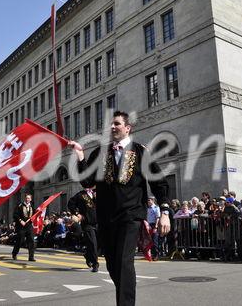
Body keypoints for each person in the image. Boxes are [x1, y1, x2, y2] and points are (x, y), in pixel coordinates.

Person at [69, 110, 170, 306]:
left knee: (124, 263)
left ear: (127, 128)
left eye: (117, 123)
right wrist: (80, 155)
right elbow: (87, 181)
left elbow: (159, 183)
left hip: (130, 216)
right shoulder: (100, 152)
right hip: (106, 218)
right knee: (114, 265)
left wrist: (165, 212)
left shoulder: (141, 152)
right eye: (111, 124)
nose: (112, 127)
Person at [68, 187, 99, 272]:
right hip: (87, 223)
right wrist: (77, 214)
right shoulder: (80, 194)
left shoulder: (98, 192)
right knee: (93, 243)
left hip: (98, 222)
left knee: (97, 244)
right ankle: (95, 263)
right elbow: (71, 203)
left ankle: (88, 255)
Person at [12, 193, 36, 261]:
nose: (27, 199)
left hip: (29, 226)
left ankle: (31, 257)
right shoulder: (20, 205)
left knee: (31, 241)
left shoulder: (32, 206)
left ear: (30, 199)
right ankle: (14, 253)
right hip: (21, 226)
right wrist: (20, 220)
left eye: (28, 198)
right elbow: (15, 215)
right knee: (19, 241)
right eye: (26, 198)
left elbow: (34, 215)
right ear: (24, 198)